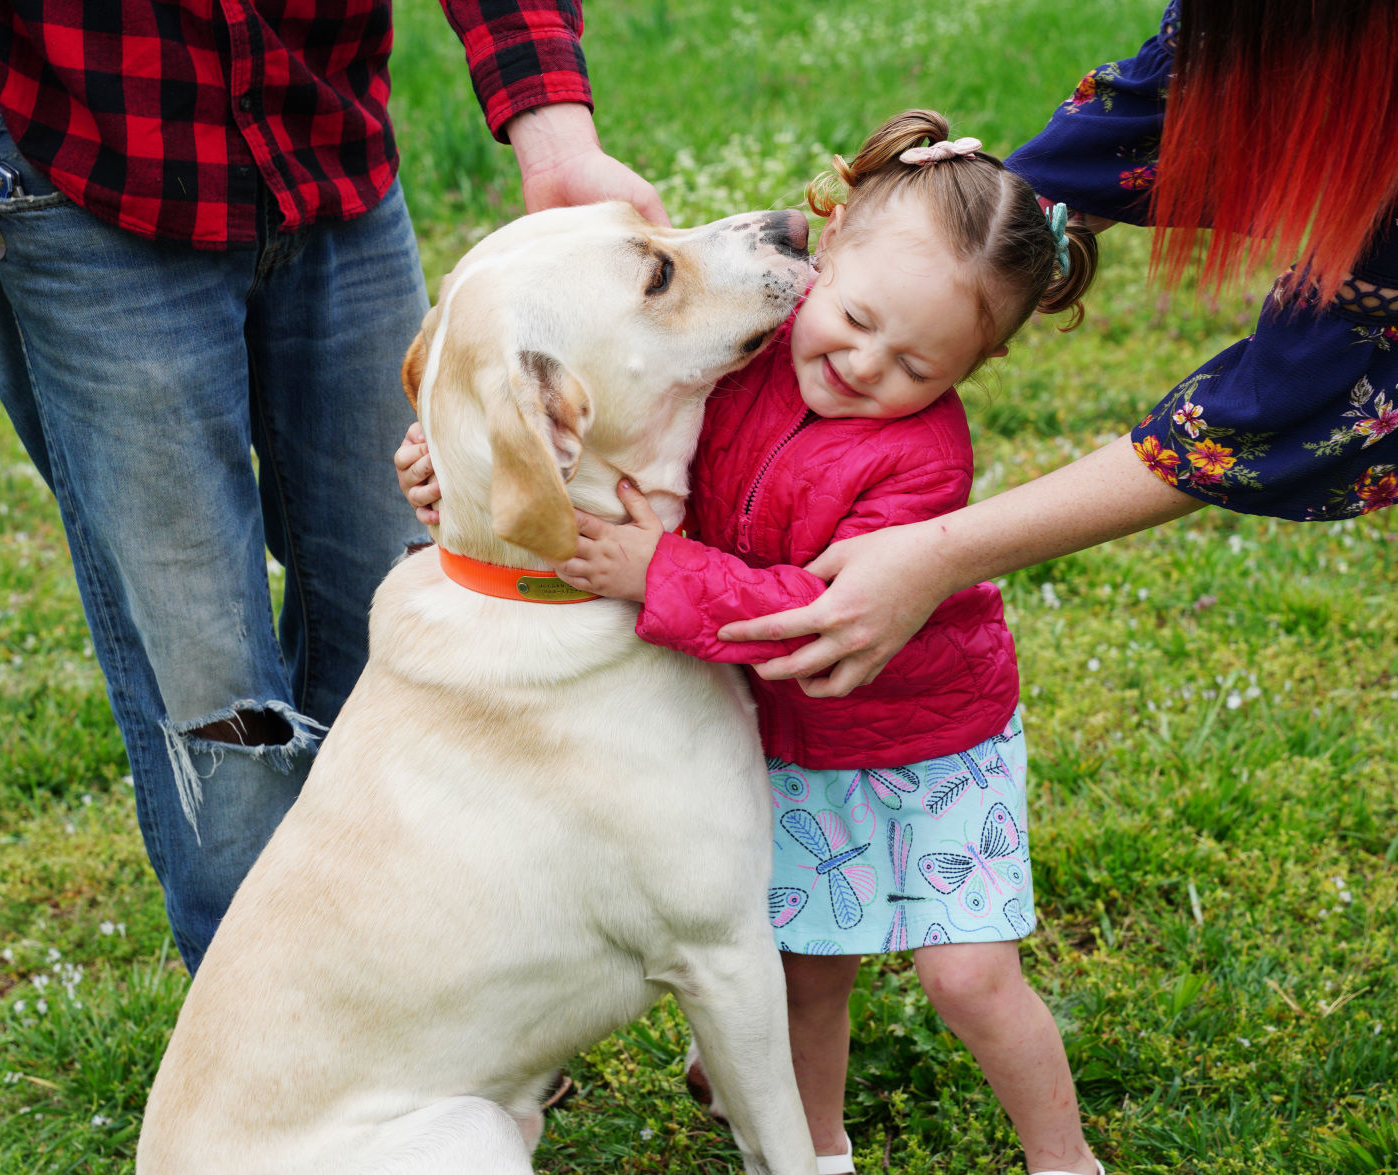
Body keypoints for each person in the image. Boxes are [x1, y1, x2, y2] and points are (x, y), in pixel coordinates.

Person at [701, 0, 1398, 1142]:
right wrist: (904, 251)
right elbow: (1045, 180)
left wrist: (938, 551)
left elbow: (1290, 390)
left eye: (913, 357)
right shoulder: (1254, 19)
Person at [0, 0, 665, 974]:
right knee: (212, 687)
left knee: (410, 609)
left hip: (322, 132)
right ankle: (290, 1046)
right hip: (85, 146)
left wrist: (550, 118)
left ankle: (424, 988)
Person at [404, 108, 1107, 1175]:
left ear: (976, 363)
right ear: (820, 258)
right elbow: (613, 391)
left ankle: (1061, 1156)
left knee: (968, 976)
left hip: (922, 750)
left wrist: (660, 572)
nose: (862, 362)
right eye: (856, 316)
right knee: (803, 972)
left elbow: (813, 611)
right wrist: (458, 462)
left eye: (917, 359)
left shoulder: (919, 467)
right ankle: (813, 1147)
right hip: (793, 747)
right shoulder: (750, 344)